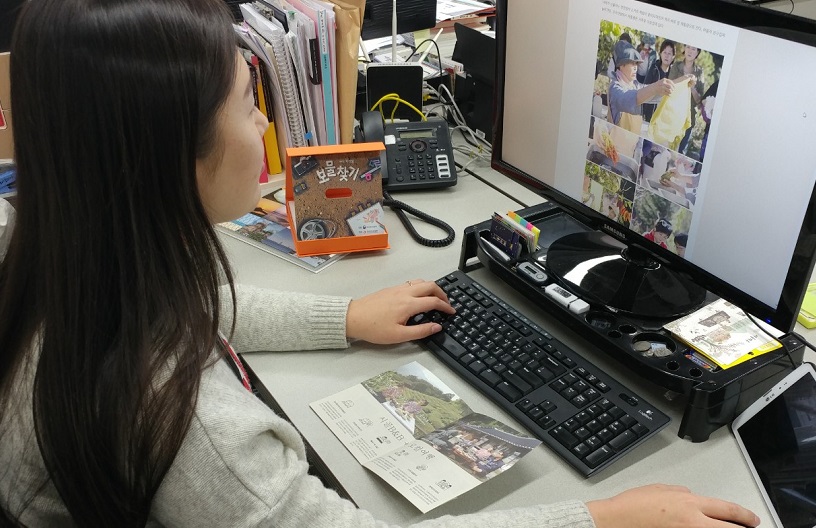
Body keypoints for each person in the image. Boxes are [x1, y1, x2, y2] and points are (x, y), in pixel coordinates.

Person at [0, 1, 762, 526]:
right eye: (245, 102)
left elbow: (188, 308)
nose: (264, 120)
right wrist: (603, 516)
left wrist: (344, 316)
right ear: (169, 155)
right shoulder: (189, 428)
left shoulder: (59, 249)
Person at [607, 42, 694, 136]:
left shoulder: (635, 86)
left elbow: (657, 94)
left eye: (637, 63)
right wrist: (655, 87)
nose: (636, 68)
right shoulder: (615, 88)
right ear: (621, 65)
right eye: (632, 63)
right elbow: (629, 100)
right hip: (613, 148)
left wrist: (683, 80)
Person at [669, 44, 706, 155]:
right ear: (684, 49)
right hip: (673, 113)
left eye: (693, 49)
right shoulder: (676, 66)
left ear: (697, 53)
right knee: (666, 147)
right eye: (688, 47)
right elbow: (670, 86)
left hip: (688, 119)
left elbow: (699, 100)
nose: (690, 51)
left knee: (679, 152)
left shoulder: (699, 72)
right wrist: (684, 79)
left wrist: (692, 87)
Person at [642, 39, 676, 122]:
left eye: (669, 53)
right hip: (649, 113)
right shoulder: (654, 68)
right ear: (660, 53)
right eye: (664, 52)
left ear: (673, 57)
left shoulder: (673, 73)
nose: (666, 56)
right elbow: (645, 88)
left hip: (663, 117)